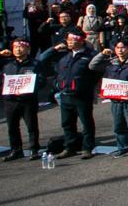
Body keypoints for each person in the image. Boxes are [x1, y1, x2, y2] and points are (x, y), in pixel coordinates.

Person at [42, 28, 98, 158]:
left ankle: (87, 148)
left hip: (82, 96)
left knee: (86, 123)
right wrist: (54, 49)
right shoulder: (63, 55)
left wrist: (86, 86)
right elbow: (42, 58)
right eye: (68, 40)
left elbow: (98, 73)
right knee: (67, 123)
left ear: (81, 41)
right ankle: (69, 147)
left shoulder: (90, 55)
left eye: (73, 39)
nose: (69, 42)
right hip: (65, 94)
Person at [0, 38, 41, 160]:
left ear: (28, 49)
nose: (18, 49)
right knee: (12, 127)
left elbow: (42, 80)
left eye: (21, 47)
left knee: (31, 126)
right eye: (15, 47)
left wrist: (32, 85)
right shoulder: (7, 63)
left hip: (28, 100)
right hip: (11, 100)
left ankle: (34, 150)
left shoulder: (35, 64)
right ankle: (16, 150)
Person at [90, 39, 128, 157]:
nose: (120, 50)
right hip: (115, 100)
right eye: (117, 48)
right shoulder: (111, 62)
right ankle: (123, 147)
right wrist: (102, 54)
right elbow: (92, 66)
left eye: (123, 47)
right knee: (118, 126)